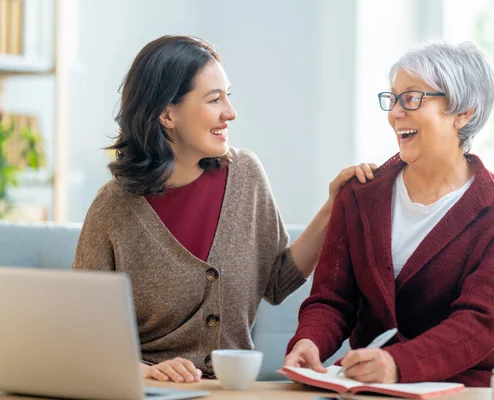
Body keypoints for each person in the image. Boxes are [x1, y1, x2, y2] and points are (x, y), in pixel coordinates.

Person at [72, 35, 376, 384]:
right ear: (167, 114)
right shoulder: (113, 207)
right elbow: (85, 336)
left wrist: (332, 206)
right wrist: (147, 372)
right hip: (146, 390)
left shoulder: (246, 174)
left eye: (227, 96)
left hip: (231, 389)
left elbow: (276, 282)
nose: (230, 112)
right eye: (214, 99)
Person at [284, 42, 494, 387]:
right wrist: (308, 342)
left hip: (468, 383)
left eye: (412, 99)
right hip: (373, 382)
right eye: (394, 98)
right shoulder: (358, 194)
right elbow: (331, 299)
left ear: (465, 112)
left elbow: (481, 322)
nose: (395, 113)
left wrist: (398, 364)